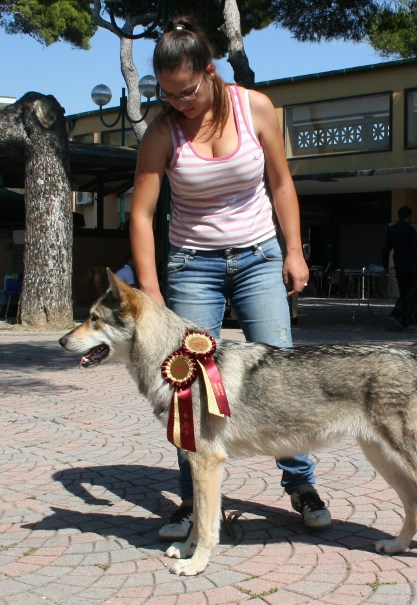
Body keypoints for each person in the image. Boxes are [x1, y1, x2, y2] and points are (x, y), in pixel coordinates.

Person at [130, 16, 331, 543]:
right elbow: (141, 214)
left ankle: (301, 484)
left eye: (187, 91)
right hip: (192, 265)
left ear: (210, 72)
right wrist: (150, 290)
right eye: (167, 94)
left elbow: (282, 183)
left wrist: (294, 250)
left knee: (283, 374)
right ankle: (196, 503)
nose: (179, 102)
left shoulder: (255, 107)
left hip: (260, 256)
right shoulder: (161, 131)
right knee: (185, 384)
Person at [381, 206, 417, 330]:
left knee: (403, 292)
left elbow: (386, 249)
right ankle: (403, 319)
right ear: (408, 216)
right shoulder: (410, 230)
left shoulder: (391, 230)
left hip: (399, 264)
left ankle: (397, 315)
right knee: (411, 293)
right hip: (411, 265)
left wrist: (385, 266)